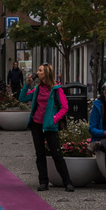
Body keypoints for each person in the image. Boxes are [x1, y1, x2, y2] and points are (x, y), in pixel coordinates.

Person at [19, 62, 74, 192]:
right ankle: (43, 182)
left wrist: (54, 119)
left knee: (56, 154)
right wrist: (27, 84)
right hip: (36, 124)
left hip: (50, 126)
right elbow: (22, 98)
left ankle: (67, 182)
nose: (37, 73)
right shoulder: (37, 88)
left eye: (40, 70)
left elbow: (65, 107)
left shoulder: (56, 89)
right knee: (40, 154)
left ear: (47, 73)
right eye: (38, 70)